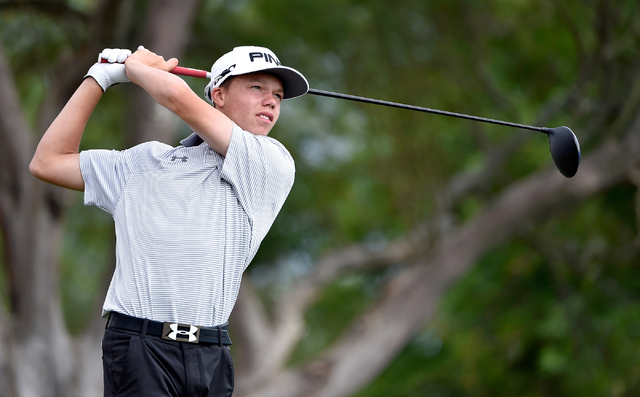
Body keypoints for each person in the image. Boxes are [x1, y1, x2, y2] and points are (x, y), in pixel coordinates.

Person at [29, 45, 308, 396]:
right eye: (257, 88)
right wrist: (98, 78)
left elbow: (175, 96)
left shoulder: (269, 163)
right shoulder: (144, 162)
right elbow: (48, 162)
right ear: (218, 94)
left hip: (212, 351)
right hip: (139, 347)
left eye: (278, 95)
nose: (271, 101)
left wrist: (133, 67)